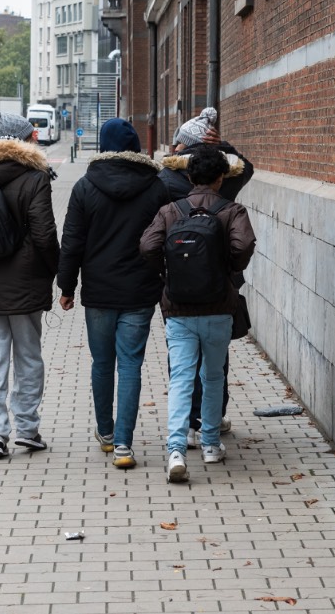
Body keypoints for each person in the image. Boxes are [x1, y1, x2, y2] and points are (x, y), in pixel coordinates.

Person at [57, 118, 169, 469]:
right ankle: (124, 445)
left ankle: (105, 433)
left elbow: (72, 241)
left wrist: (66, 286)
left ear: (103, 146)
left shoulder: (85, 186)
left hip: (99, 291)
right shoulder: (156, 187)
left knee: (103, 363)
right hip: (140, 290)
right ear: (135, 147)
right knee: (132, 365)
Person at [141, 145, 256, 482]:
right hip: (219, 305)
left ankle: (176, 449)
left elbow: (148, 246)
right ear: (221, 178)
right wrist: (228, 272)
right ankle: (209, 445)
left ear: (189, 176)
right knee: (213, 375)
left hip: (178, 307)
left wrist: (166, 274)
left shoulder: (170, 210)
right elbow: (243, 246)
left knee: (181, 378)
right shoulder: (232, 210)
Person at [0, 110, 60, 460]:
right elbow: (44, 233)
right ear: (25, 139)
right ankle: (28, 429)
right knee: (28, 357)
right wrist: (58, 272)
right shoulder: (35, 178)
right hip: (27, 283)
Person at [158, 107, 255, 448]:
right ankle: (210, 423)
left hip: (179, 287)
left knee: (183, 360)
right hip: (220, 287)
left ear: (181, 148)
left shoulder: (165, 182)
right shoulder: (226, 183)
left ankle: (183, 425)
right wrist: (223, 144)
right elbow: (247, 167)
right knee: (215, 362)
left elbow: (148, 242)